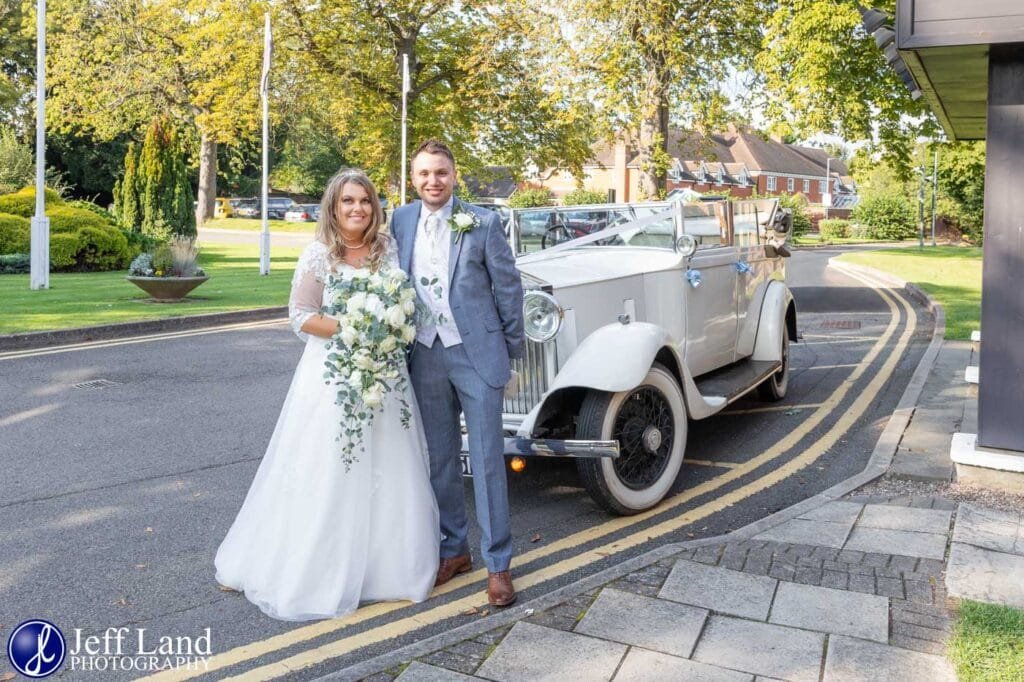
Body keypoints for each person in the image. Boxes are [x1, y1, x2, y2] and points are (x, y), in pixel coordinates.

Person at [214, 169, 440, 621]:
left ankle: (383, 570)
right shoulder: (319, 255)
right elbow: (301, 315)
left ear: (375, 208)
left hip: (386, 377)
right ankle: (318, 569)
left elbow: (401, 304)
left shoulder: (386, 249)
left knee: (391, 464)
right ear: (333, 208)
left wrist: (388, 329)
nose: (358, 209)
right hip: (334, 377)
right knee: (333, 466)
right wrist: (354, 328)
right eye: (348, 202)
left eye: (365, 202)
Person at [391, 139, 525, 607]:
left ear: (454, 175)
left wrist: (510, 354)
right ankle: (454, 550)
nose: (433, 181)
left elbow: (509, 289)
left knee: (488, 461)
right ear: (414, 177)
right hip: (424, 353)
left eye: (441, 173)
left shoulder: (483, 223)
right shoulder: (399, 220)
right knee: (441, 460)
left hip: (477, 354)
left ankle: (498, 564)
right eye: (425, 173)